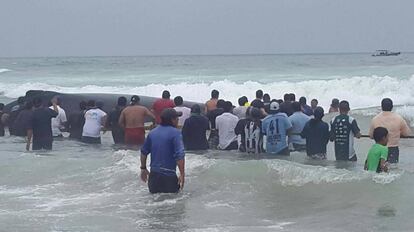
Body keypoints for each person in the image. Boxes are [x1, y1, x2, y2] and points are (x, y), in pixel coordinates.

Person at [140, 108, 185, 194]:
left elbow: (143, 152)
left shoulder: (152, 132)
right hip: (169, 177)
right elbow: (180, 155)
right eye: (176, 118)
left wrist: (143, 168)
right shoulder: (176, 133)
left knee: (155, 205)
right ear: (172, 120)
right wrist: (182, 174)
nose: (178, 120)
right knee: (172, 205)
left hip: (153, 177)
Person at [368, 98, 411, 163]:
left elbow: (371, 135)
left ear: (381, 107)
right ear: (392, 107)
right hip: (393, 149)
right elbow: (407, 133)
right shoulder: (399, 118)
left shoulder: (375, 119)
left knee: (379, 169)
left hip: (378, 148)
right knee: (392, 170)